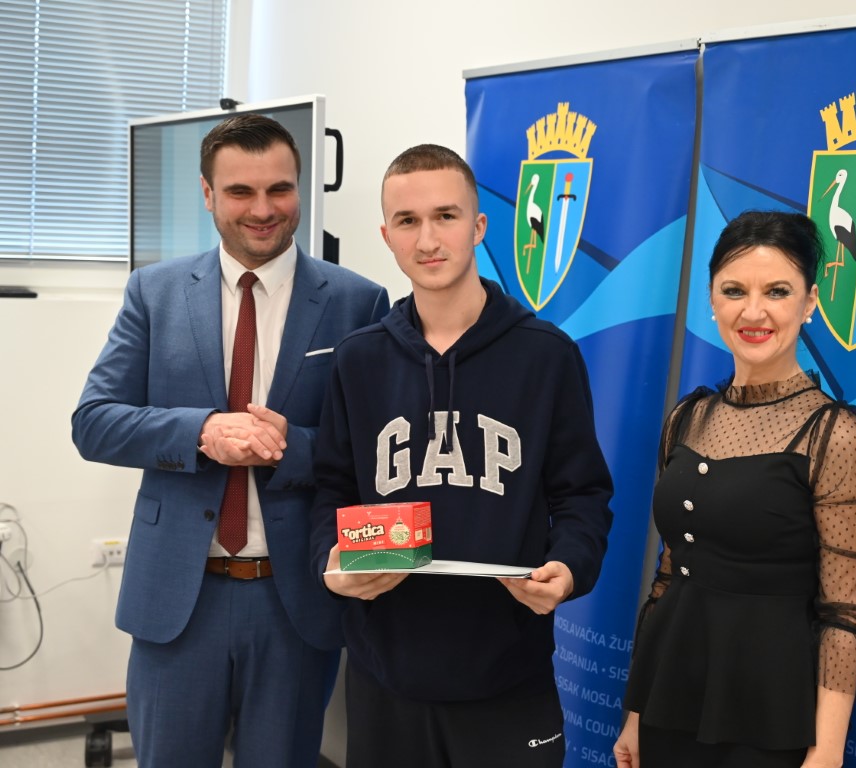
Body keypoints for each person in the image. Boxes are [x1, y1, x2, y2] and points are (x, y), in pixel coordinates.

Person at [72, 113, 388, 768]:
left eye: (280, 189)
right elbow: (95, 421)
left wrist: (295, 447)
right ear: (208, 193)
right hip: (178, 600)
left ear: (300, 188)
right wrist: (200, 432)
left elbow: (379, 451)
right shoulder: (154, 292)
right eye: (241, 191)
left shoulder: (358, 302)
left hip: (295, 601)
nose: (263, 210)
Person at [310, 144, 614, 768]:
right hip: (385, 674)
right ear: (387, 236)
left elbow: (582, 494)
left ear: (478, 226)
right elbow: (331, 489)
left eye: (445, 216)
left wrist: (569, 566)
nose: (427, 240)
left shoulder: (546, 355)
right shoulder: (358, 359)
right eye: (407, 221)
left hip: (508, 676)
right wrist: (329, 563)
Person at [613, 210, 856, 768]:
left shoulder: (834, 434)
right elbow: (669, 576)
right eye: (734, 291)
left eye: (777, 291)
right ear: (712, 301)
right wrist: (636, 715)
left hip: (768, 713)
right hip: (669, 697)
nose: (753, 312)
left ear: (809, 302)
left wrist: (827, 752)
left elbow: (844, 615)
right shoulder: (688, 417)